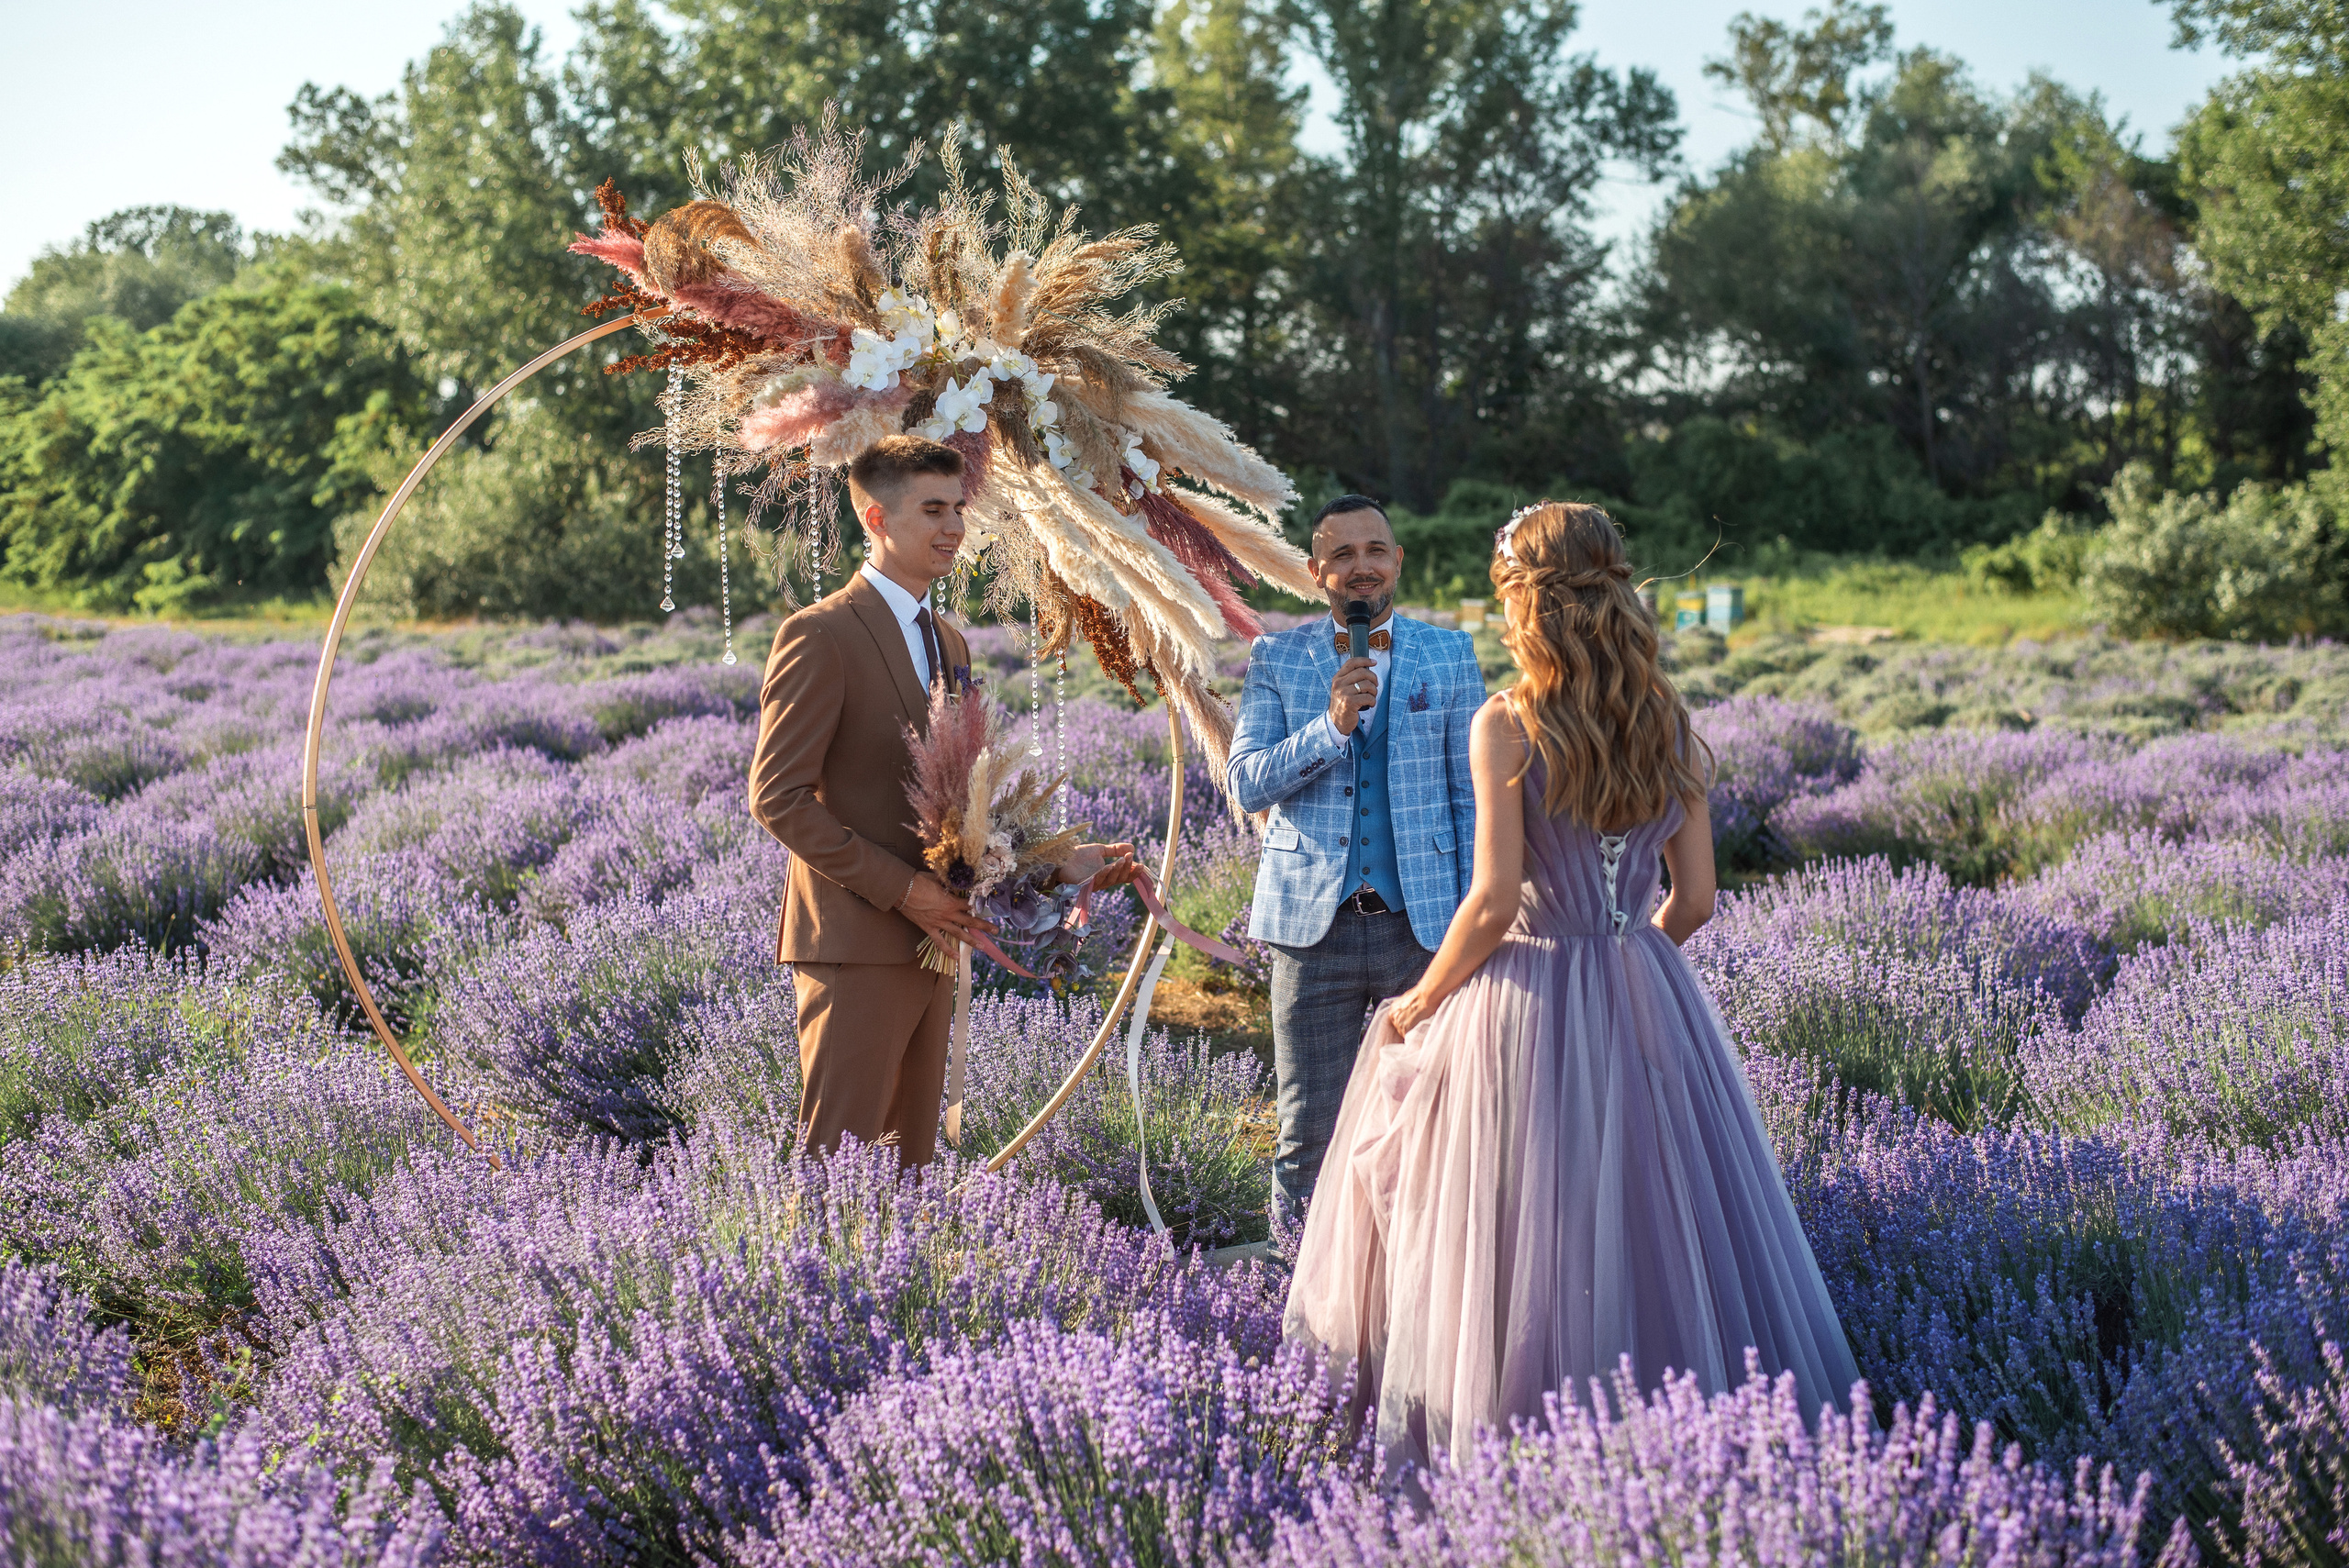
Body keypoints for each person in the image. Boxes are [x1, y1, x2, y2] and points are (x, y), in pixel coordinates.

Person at [1282, 501, 1860, 1471]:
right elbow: (1699, 898)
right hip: (1645, 984)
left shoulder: (1508, 721)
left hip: (1529, 998)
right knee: (1654, 1212)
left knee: (1518, 1224)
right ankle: (1687, 1445)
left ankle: (1519, 1444)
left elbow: (1494, 898)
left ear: (1522, 600)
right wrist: (1630, 953)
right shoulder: (1665, 718)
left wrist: (1421, 1003)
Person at [748, 434, 1135, 1165]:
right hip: (855, 944)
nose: (955, 527)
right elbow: (778, 797)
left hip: (935, 944)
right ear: (876, 520)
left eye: (959, 508)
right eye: (933, 509)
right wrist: (905, 892)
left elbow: (957, 814)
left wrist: (1057, 866)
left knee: (908, 1169)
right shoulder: (820, 634)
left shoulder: (951, 643)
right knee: (840, 1167)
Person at [1227, 495, 1484, 1234]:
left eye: (1375, 550)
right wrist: (1329, 726)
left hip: (1424, 927)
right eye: (1342, 555)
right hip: (1315, 932)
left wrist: (1471, 922)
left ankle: (1418, 1283)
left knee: (1436, 1123)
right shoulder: (1277, 658)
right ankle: (1295, 1298)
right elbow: (1247, 782)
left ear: (1397, 560)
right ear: (1316, 572)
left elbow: (1469, 798)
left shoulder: (1449, 653)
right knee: (1308, 1128)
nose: (1361, 566)